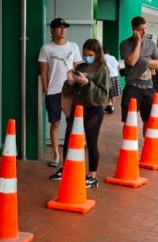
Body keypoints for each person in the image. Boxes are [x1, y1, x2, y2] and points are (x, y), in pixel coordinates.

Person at [58, 39, 111, 187]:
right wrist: (70, 82)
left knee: (91, 142)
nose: (87, 56)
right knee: (69, 140)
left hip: (93, 110)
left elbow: (102, 95)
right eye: (85, 54)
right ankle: (67, 168)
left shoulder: (102, 70)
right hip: (78, 108)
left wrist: (87, 83)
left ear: (97, 54)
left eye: (90, 54)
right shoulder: (81, 66)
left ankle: (92, 176)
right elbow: (69, 92)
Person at [38, 18, 81, 169]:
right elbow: (43, 71)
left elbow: (77, 67)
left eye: (65, 27)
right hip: (54, 91)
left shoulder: (73, 46)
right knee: (55, 122)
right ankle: (56, 154)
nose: (63, 30)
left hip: (70, 91)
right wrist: (46, 89)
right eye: (59, 27)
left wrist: (78, 86)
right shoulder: (46, 49)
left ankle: (71, 153)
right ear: (52, 30)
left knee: (72, 122)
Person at [119, 16, 158, 124]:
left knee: (149, 121)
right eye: (140, 30)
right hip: (133, 87)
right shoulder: (125, 44)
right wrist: (138, 42)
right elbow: (132, 61)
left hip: (148, 87)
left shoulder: (151, 43)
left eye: (145, 28)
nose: (144, 32)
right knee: (129, 121)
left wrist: (145, 62)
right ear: (134, 30)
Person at [103, 47, 121, 115]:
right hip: (114, 76)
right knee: (113, 93)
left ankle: (110, 104)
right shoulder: (112, 57)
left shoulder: (103, 58)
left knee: (107, 92)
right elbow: (118, 66)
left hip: (107, 77)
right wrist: (116, 73)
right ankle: (112, 107)